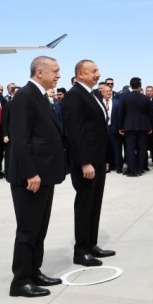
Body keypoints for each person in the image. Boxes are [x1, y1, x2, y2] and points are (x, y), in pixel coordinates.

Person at [5, 56, 65, 297]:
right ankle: (20, 281)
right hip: (30, 177)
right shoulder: (25, 96)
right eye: (55, 71)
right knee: (28, 229)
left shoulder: (40, 95)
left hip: (44, 175)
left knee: (40, 228)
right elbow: (20, 138)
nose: (58, 75)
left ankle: (34, 271)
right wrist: (31, 172)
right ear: (40, 72)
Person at [63, 59, 114, 267]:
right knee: (85, 205)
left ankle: (91, 244)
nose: (98, 74)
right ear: (80, 74)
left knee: (95, 204)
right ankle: (80, 250)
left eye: (98, 70)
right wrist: (85, 162)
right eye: (93, 71)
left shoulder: (92, 95)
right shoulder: (74, 95)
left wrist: (105, 159)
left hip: (98, 160)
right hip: (86, 163)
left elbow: (100, 130)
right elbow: (75, 132)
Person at [119, 77, 152, 176]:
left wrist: (120, 127)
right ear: (140, 86)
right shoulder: (145, 98)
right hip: (143, 127)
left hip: (129, 126)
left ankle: (133, 170)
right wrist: (150, 127)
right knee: (142, 149)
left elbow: (121, 113)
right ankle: (140, 169)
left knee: (129, 149)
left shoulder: (124, 97)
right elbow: (150, 114)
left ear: (131, 85)